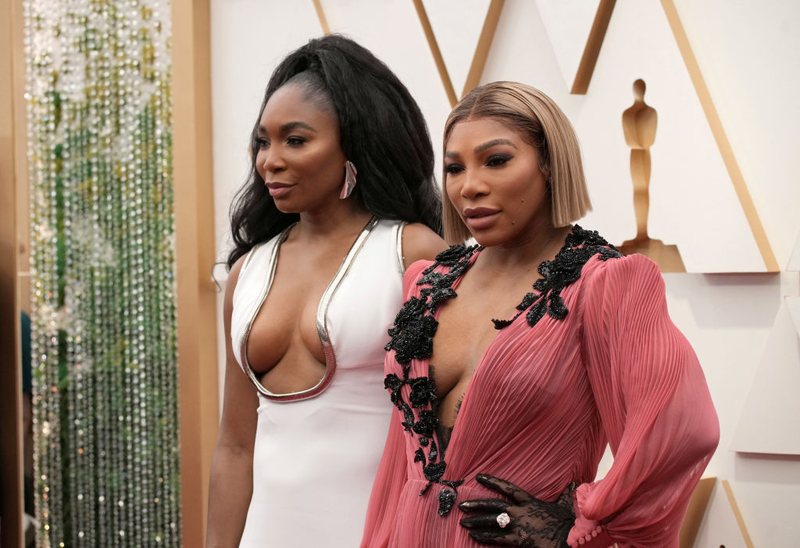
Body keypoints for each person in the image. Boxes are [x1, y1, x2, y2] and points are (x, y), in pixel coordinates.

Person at [361, 81, 719, 548]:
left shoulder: (605, 284)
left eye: (496, 160)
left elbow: (683, 431)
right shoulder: (426, 283)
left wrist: (583, 528)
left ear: (549, 164)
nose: (469, 186)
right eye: (454, 168)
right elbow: (399, 458)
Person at [207, 35, 445, 548]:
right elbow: (235, 447)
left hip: (375, 534)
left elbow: (447, 433)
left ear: (353, 146)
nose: (269, 161)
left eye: (295, 140)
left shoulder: (413, 253)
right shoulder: (246, 272)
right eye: (263, 142)